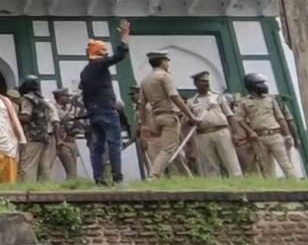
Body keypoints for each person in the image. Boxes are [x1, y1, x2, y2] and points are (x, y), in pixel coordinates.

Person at [79, 20, 130, 185]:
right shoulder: (100, 64)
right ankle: (118, 178)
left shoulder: (85, 71)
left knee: (97, 146)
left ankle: (99, 179)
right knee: (115, 143)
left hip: (93, 113)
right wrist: (124, 36)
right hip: (106, 110)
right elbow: (120, 56)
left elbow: (84, 94)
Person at [138, 51, 201, 180]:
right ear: (162, 62)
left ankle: (187, 177)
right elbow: (174, 96)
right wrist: (190, 116)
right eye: (167, 61)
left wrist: (144, 124)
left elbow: (141, 104)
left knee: (174, 147)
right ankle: (153, 176)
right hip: (168, 116)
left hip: (156, 118)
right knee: (168, 149)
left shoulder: (145, 80)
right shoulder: (164, 76)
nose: (168, 64)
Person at [236, 73, 301, 178]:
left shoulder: (270, 99)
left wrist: (288, 135)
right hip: (259, 137)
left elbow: (280, 118)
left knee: (286, 164)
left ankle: (296, 185)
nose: (263, 86)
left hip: (275, 134)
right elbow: (239, 119)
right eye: (259, 83)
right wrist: (250, 131)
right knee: (266, 169)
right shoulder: (244, 102)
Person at [188, 71, 242, 178]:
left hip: (221, 131)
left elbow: (230, 116)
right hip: (203, 134)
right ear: (196, 83)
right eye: (203, 81)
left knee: (231, 161)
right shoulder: (191, 101)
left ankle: (239, 188)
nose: (206, 84)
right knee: (210, 166)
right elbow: (188, 122)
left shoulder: (217, 97)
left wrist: (235, 133)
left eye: (207, 81)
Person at [16, 76, 57, 183]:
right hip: (44, 136)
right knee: (44, 167)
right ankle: (46, 190)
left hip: (32, 136)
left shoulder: (27, 99)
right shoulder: (42, 99)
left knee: (29, 165)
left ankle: (28, 189)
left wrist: (13, 116)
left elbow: (26, 116)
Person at [53, 88, 86, 180]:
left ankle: (73, 186)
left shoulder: (70, 108)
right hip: (63, 142)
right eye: (67, 96)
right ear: (60, 97)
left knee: (74, 169)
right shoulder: (54, 108)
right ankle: (71, 186)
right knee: (71, 170)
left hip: (72, 140)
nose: (69, 98)